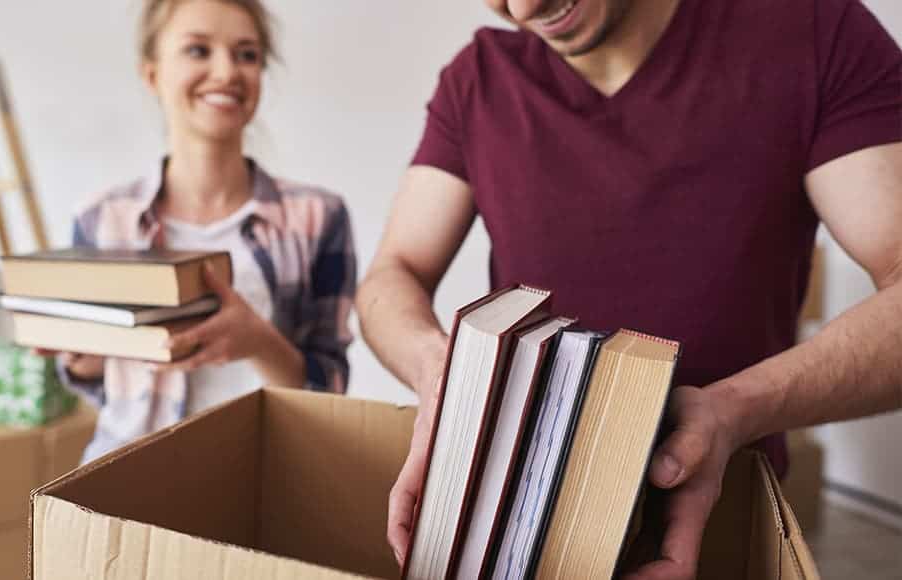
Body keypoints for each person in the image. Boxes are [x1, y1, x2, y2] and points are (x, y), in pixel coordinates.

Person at [356, 0, 902, 577]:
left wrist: (730, 412)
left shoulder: (814, 31)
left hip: (725, 529)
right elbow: (393, 273)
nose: (521, 8)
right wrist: (441, 374)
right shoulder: (477, 79)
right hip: (522, 535)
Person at [52, 0, 356, 462]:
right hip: (127, 478)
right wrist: (84, 354)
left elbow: (330, 391)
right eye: (198, 50)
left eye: (247, 54)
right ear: (152, 75)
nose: (226, 71)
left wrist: (258, 340)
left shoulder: (319, 217)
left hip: (268, 480)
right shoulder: (101, 218)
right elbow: (103, 389)